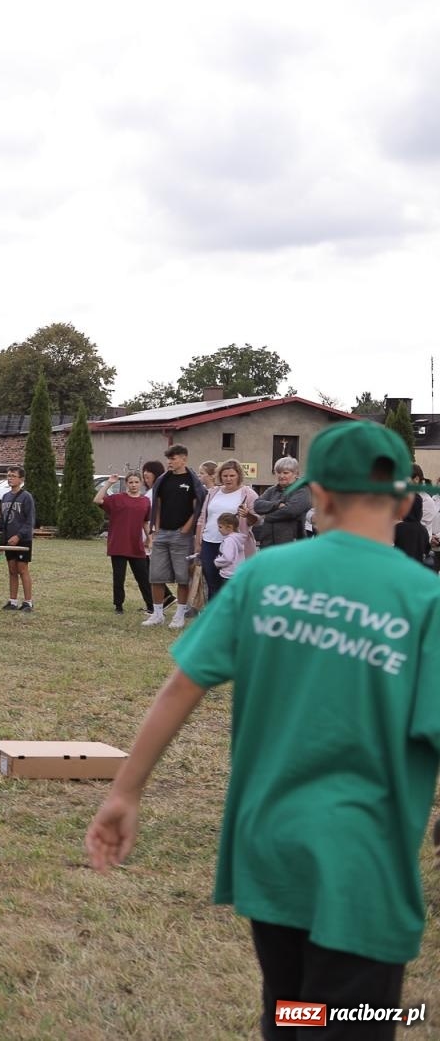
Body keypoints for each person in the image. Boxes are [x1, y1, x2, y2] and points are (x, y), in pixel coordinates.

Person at [86, 422, 440, 1038]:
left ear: (318, 496)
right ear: (408, 501)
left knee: (291, 1011)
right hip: (363, 864)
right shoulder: (424, 600)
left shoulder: (262, 578)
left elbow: (180, 688)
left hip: (268, 847)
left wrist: (125, 792)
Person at [143, 444, 206, 629]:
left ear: (184, 459)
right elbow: (158, 505)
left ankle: (179, 615)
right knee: (155, 576)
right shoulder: (163, 480)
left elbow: (198, 508)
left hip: (182, 536)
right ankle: (157, 614)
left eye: (174, 458)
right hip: (162, 534)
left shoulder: (193, 481)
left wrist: (186, 529)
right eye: (168, 459)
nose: (170, 462)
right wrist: (158, 528)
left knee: (182, 577)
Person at [193, 459, 255, 601]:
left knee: (231, 583)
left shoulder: (248, 494)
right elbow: (202, 518)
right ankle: (214, 616)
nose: (228, 479)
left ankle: (233, 616)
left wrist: (248, 515)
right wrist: (198, 542)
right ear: (220, 476)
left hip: (233, 545)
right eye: (225, 475)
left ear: (239, 475)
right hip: (210, 541)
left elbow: (257, 520)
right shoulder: (213, 492)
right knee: (211, 581)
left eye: (232, 475)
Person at [95, 473, 154, 615]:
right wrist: (109, 483)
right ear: (126, 484)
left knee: (144, 576)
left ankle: (151, 605)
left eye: (136, 482)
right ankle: (118, 606)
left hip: (136, 545)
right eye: (131, 482)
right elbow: (97, 500)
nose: (133, 485)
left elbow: (145, 522)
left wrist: (149, 538)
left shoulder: (145, 501)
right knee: (119, 577)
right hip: (119, 544)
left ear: (140, 483)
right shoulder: (117, 499)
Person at [249, 456, 311, 550]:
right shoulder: (272, 490)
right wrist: (277, 505)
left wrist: (267, 515)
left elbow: (291, 511)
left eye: (286, 473)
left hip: (291, 545)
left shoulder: (302, 490)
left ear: (295, 474)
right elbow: (257, 505)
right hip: (267, 544)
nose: (281, 476)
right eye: (278, 472)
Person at [0, 464, 36, 612]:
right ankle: (12, 601)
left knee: (22, 569)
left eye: (13, 476)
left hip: (23, 539)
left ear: (21, 479)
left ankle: (28, 602)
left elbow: (30, 521)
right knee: (12, 569)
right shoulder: (5, 497)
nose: (10, 479)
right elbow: (2, 519)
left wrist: (19, 535)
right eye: (8, 476)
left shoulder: (26, 497)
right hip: (8, 539)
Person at [213, 512, 249, 583]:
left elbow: (228, 558)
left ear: (229, 527)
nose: (218, 529)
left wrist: (217, 562)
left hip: (228, 575)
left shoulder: (229, 541)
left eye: (220, 527)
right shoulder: (239, 539)